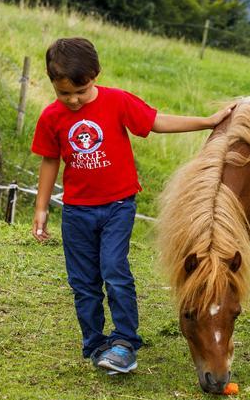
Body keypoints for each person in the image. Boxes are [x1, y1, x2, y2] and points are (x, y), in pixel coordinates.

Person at [31, 37, 234, 375]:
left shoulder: (117, 102)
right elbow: (50, 160)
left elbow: (155, 122)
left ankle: (125, 341)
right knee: (83, 282)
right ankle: (96, 345)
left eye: (80, 91)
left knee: (114, 269)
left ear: (95, 74)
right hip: (77, 211)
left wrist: (208, 121)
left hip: (117, 206)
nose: (73, 100)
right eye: (64, 93)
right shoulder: (52, 116)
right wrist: (41, 208)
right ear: (53, 84)